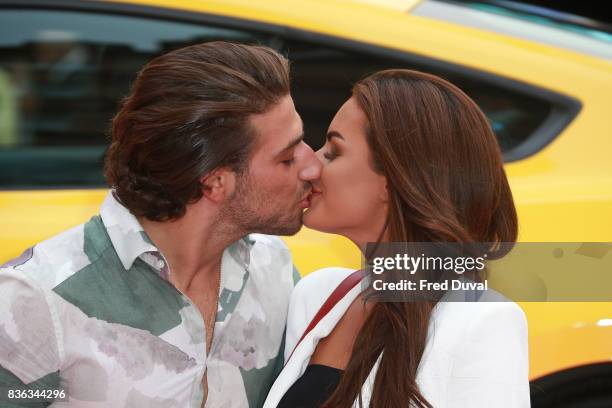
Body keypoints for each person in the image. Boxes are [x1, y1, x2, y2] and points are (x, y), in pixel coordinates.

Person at [0, 42, 322, 407]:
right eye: (287, 157)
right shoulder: (36, 299)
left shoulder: (273, 267)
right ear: (215, 182)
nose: (312, 165)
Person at [264, 69, 530, 407]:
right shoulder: (317, 295)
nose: (311, 166)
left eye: (333, 152)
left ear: (394, 179)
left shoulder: (481, 321)